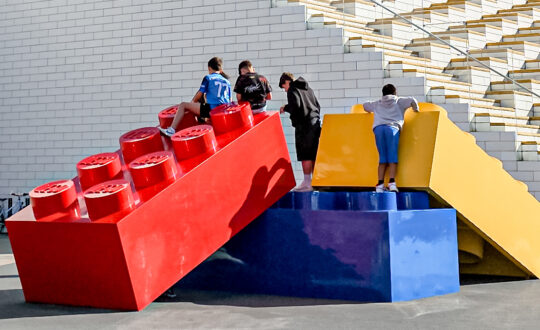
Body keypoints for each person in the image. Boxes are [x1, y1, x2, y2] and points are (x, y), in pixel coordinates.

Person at [363, 84, 419, 193]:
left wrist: (371, 111)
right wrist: (415, 109)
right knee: (392, 156)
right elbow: (412, 100)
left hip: (378, 129)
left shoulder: (378, 103)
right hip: (392, 128)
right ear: (395, 92)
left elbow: (365, 105)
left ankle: (379, 184)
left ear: (383, 93)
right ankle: (392, 183)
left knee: (382, 157)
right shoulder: (399, 101)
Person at [160, 57, 231, 137]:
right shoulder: (227, 82)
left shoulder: (208, 78)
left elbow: (200, 94)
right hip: (222, 112)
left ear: (209, 68)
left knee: (183, 105)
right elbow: (230, 100)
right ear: (220, 69)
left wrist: (193, 102)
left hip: (211, 109)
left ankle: (171, 130)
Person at [279, 72, 321, 192]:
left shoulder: (293, 89)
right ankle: (315, 181)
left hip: (304, 125)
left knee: (305, 154)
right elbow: (317, 105)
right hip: (315, 123)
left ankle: (307, 182)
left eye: (284, 87)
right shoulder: (309, 89)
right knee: (313, 153)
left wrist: (286, 108)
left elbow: (296, 106)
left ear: (286, 82)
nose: (285, 90)